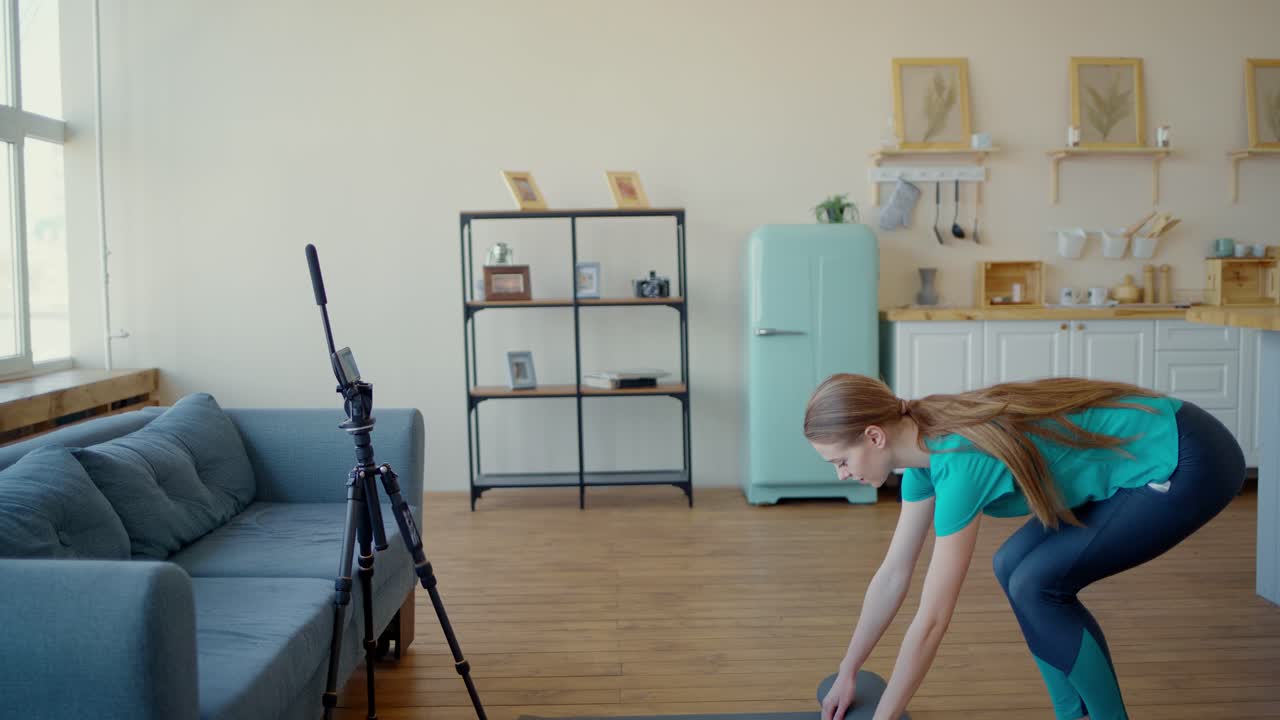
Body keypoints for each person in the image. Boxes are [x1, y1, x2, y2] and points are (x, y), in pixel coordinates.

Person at [804, 373, 1245, 720]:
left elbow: (933, 618)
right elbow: (893, 574)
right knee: (1011, 563)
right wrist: (849, 671)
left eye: (841, 461)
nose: (841, 474)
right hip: (1143, 456)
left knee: (1037, 583)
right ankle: (1073, 715)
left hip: (1187, 459)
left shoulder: (959, 463)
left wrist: (884, 717)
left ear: (875, 436)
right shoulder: (920, 452)